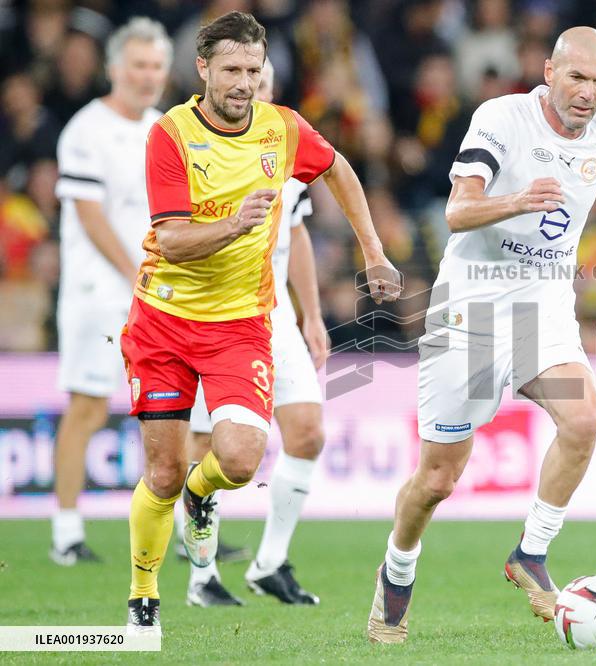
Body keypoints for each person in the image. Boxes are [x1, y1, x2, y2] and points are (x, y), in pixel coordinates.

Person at [123, 11, 398, 630]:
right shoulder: (170, 135)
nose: (244, 83)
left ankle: (204, 493)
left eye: (253, 70)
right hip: (164, 319)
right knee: (162, 472)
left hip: (241, 323)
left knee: (242, 460)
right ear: (203, 70)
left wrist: (373, 250)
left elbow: (339, 170)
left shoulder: (283, 128)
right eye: (231, 70)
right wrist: (234, 225)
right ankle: (143, 596)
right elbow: (170, 241)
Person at [367, 26, 596, 644]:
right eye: (576, 78)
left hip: (541, 303)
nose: (587, 94)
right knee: (437, 480)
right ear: (547, 71)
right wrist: (519, 201)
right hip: (472, 307)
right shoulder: (501, 119)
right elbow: (457, 211)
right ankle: (397, 567)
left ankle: (530, 553)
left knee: (586, 419)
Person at [179, 58, 328, 608]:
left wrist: (310, 314)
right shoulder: (196, 148)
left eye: (260, 82)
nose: (250, 90)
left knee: (308, 432)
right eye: (242, 80)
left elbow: (298, 232)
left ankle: (269, 563)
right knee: (205, 449)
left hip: (275, 318)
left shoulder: (285, 144)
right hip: (214, 317)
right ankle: (201, 577)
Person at [50, 17, 171, 566]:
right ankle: (66, 531)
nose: (148, 77)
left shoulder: (166, 129)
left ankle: (176, 534)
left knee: (167, 411)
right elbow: (89, 214)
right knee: (89, 406)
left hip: (156, 291)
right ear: (115, 68)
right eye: (139, 66)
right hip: (99, 290)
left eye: (156, 67)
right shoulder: (85, 129)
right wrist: (133, 272)